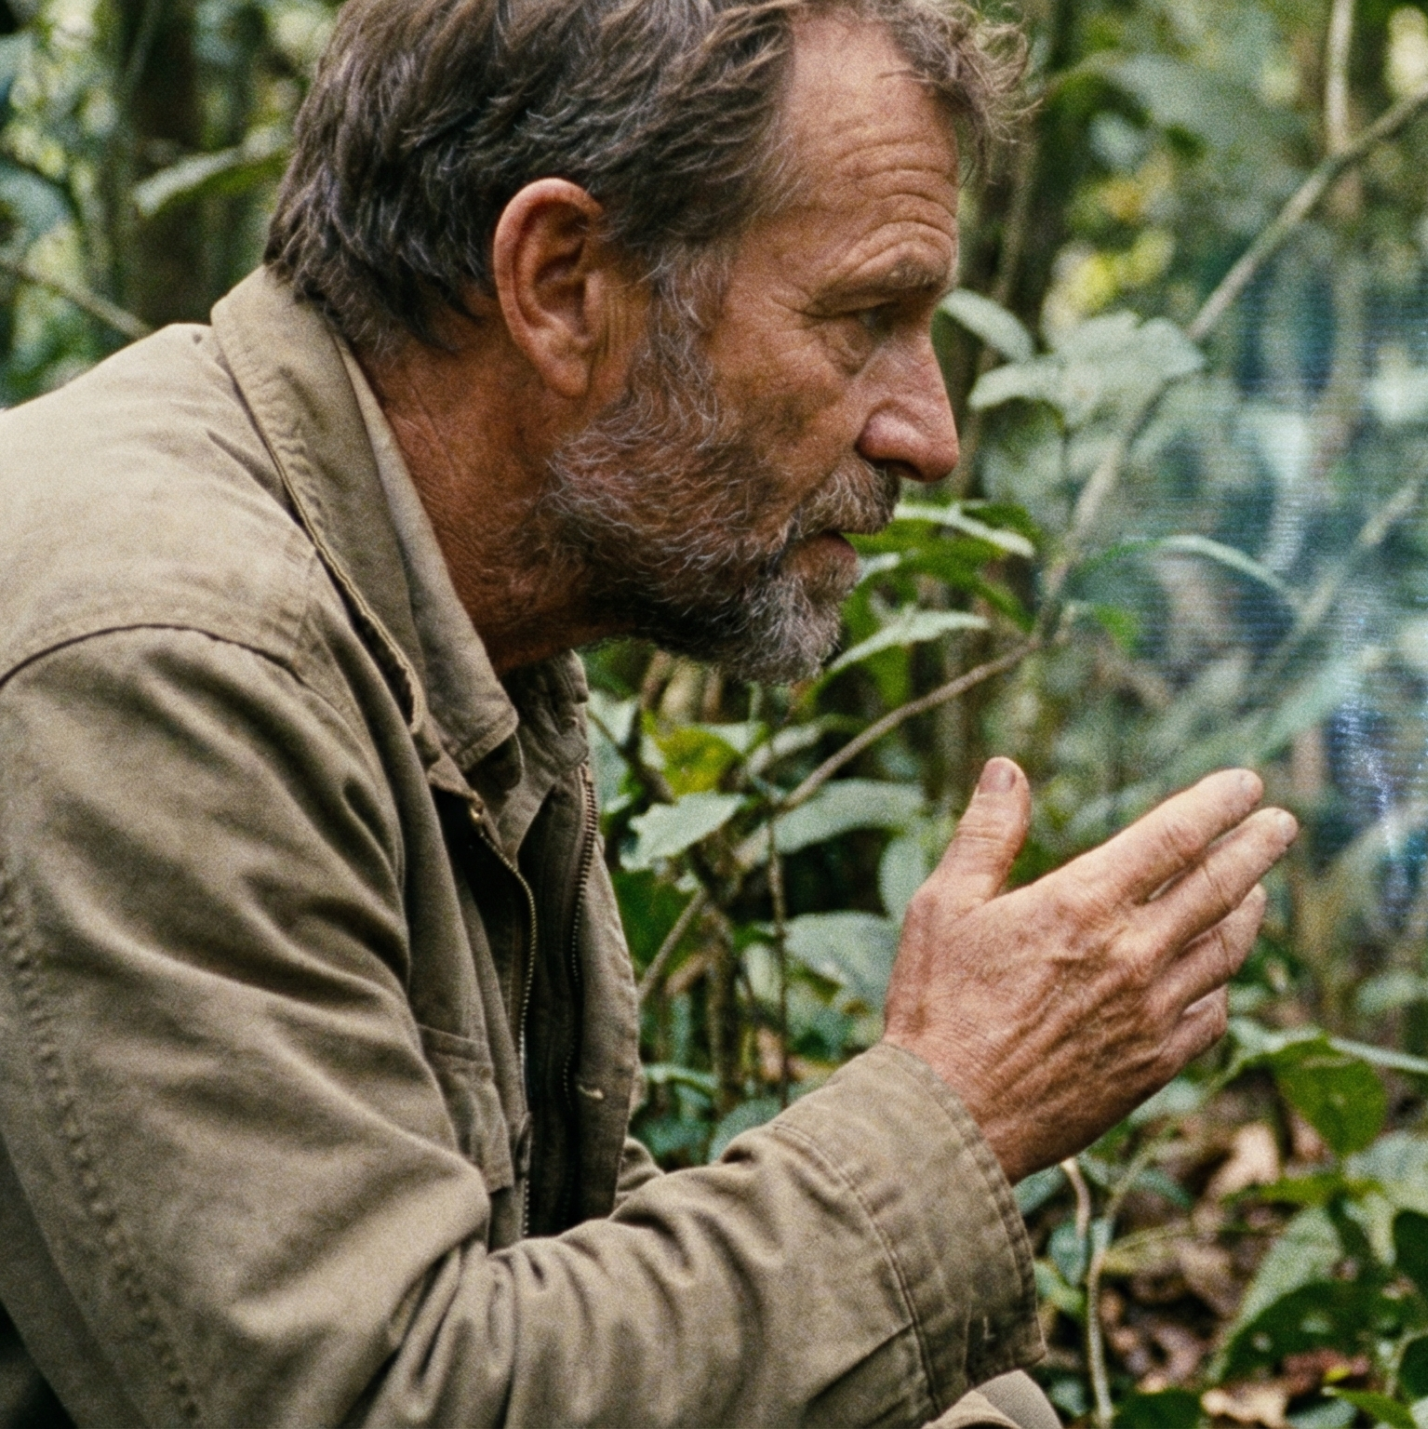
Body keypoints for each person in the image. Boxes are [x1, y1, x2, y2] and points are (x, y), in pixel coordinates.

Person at [0, 0, 1297, 1424]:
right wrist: (955, 1117)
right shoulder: (162, 656)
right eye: (865, 319)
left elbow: (562, 1275)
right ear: (561, 283)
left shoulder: (460, 613)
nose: (928, 433)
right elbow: (370, 1398)